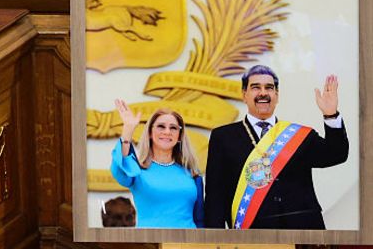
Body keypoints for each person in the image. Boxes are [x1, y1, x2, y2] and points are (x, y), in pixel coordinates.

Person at [203, 66, 348, 229]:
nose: (263, 93)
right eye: (255, 87)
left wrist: (331, 115)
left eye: (269, 88)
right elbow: (215, 197)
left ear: (276, 96)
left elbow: (337, 154)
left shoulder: (299, 135)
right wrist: (215, 239)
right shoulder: (223, 137)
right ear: (244, 95)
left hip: (302, 230)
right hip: (251, 232)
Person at [110, 100, 204, 228]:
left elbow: (200, 219)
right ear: (150, 132)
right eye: (161, 126)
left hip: (187, 240)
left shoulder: (192, 174)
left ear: (179, 136)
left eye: (173, 128)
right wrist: (127, 131)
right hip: (148, 240)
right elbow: (119, 171)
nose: (167, 132)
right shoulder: (136, 171)